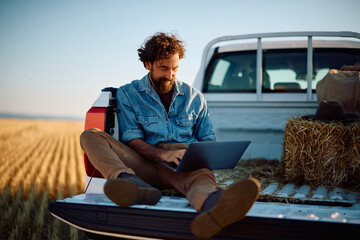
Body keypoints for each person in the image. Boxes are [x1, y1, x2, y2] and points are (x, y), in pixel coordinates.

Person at [80, 32, 261, 239]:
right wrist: (161, 154)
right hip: (143, 166)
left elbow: (207, 139)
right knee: (90, 136)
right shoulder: (128, 93)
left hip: (183, 165)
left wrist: (199, 156)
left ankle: (216, 207)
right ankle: (130, 185)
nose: (170, 75)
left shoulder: (195, 97)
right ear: (148, 64)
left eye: (175, 68)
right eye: (163, 68)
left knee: (202, 182)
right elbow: (132, 140)